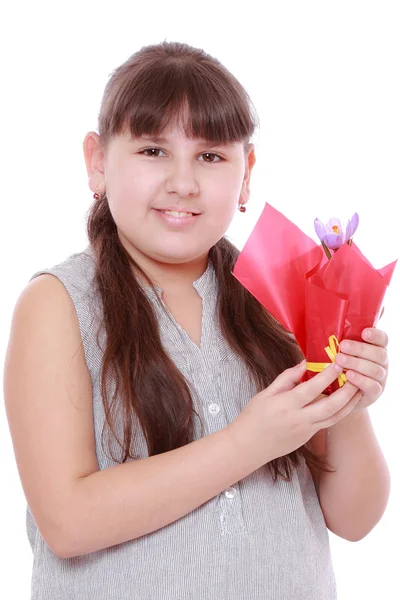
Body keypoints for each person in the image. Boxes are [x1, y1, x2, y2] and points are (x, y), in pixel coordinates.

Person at [3, 40, 391, 600]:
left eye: (210, 156)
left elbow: (355, 519)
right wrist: (247, 442)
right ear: (97, 162)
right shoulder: (58, 304)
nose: (183, 182)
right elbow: (66, 521)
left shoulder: (280, 293)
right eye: (153, 151)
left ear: (247, 171)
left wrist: (346, 399)